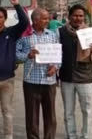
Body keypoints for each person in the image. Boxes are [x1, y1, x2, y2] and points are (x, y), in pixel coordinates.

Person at [0, 0, 29, 139]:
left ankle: (8, 136)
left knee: (7, 110)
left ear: (5, 19)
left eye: (0, 17)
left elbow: (24, 22)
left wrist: (17, 5)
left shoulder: (12, 33)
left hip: (7, 79)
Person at [16, 8, 60, 139]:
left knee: (50, 115)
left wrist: (55, 67)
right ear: (35, 20)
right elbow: (16, 55)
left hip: (49, 81)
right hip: (31, 81)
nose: (47, 21)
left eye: (48, 18)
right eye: (44, 18)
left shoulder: (52, 35)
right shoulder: (25, 36)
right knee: (32, 115)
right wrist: (28, 55)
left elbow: (59, 55)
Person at [58, 4, 92, 139]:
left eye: (81, 15)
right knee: (68, 111)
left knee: (87, 110)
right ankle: (71, 135)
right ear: (69, 16)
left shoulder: (91, 32)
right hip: (67, 76)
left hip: (85, 76)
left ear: (84, 17)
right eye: (75, 15)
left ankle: (86, 136)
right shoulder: (61, 32)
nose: (78, 18)